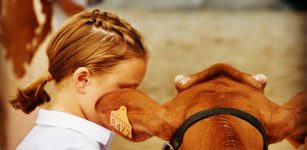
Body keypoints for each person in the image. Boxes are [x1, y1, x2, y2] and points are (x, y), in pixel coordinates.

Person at [10, 9, 148, 150]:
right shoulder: (76, 146)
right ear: (83, 79)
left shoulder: (46, 136)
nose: (132, 102)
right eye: (126, 89)